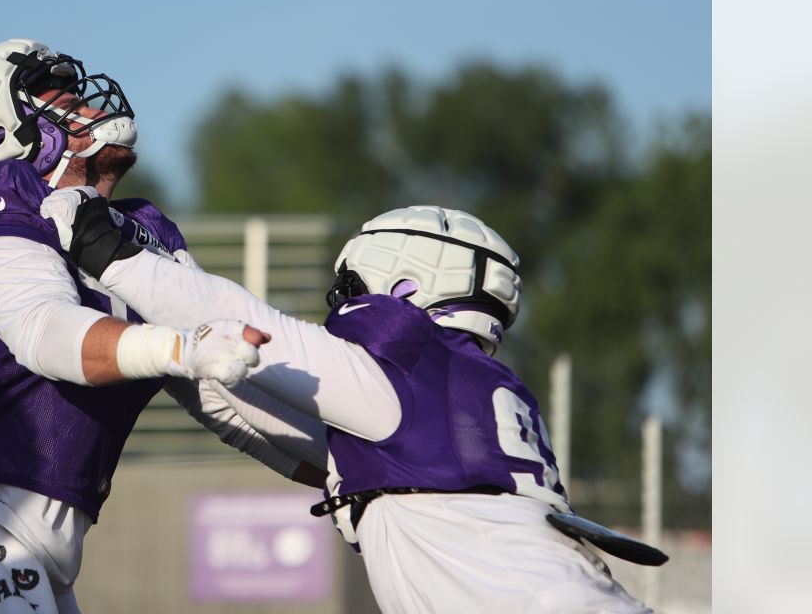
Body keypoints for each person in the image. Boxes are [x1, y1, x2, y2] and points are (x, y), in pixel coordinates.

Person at [0, 39, 325, 614]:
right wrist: (184, 345)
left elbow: (227, 394)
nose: (84, 103)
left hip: (37, 550)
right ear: (2, 135)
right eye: (55, 96)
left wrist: (352, 477)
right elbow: (47, 333)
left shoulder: (142, 230)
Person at [41, 193, 662, 613]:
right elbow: (245, 409)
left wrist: (106, 250)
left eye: (350, 287)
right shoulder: (457, 394)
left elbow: (252, 327)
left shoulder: (408, 368)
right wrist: (170, 349)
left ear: (404, 286)